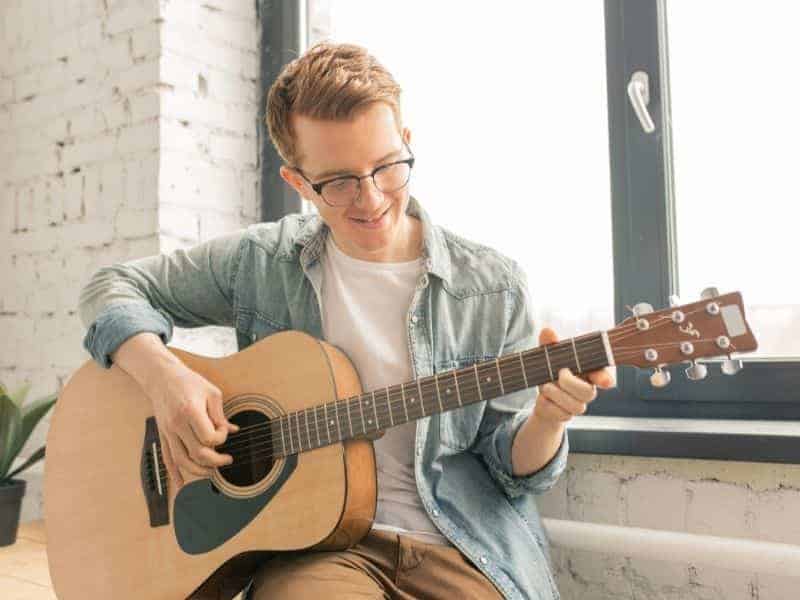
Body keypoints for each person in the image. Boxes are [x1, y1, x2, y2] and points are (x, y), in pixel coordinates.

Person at [78, 42, 614, 600]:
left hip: (459, 544)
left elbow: (513, 470)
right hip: (319, 550)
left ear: (407, 142)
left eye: (387, 167)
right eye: (337, 181)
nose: (371, 198)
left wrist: (550, 417)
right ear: (297, 182)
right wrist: (166, 381)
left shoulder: (493, 286)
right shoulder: (263, 261)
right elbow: (109, 286)